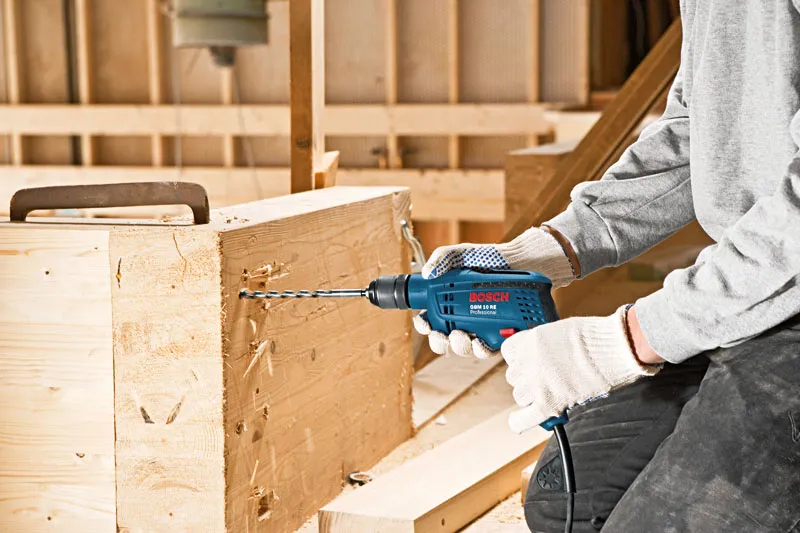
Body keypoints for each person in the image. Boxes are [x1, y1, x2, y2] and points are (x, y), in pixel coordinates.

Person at [414, 2, 800, 531]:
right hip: (752, 296)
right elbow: (696, 131)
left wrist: (627, 340)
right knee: (566, 503)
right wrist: (548, 250)